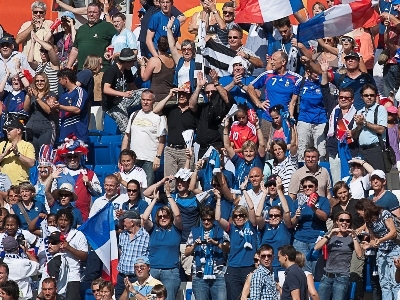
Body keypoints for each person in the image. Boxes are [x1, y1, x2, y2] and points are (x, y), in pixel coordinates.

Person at [144, 170, 200, 280]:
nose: (179, 183)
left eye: (182, 181)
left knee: (190, 274)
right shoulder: (170, 196)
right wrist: (162, 181)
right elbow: (146, 193)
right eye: (177, 181)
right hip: (171, 239)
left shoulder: (195, 198)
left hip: (186, 241)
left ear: (188, 182)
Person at [247, 51, 302, 143]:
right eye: (271, 59)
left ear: (283, 62)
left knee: (285, 146)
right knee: (265, 146)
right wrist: (258, 103)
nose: (271, 62)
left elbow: (295, 100)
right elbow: (250, 87)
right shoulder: (267, 75)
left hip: (284, 119)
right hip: (267, 118)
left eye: (274, 60)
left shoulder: (296, 78)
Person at [141, 183, 182, 300]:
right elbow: (144, 218)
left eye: (165, 216)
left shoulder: (176, 229)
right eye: (160, 216)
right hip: (152, 270)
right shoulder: (153, 229)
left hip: (171, 272)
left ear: (170, 217)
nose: (163, 218)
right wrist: (154, 200)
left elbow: (178, 215)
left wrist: (169, 196)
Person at [153, 85, 197, 188]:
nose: (181, 96)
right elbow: (155, 110)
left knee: (185, 182)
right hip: (171, 150)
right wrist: (169, 96)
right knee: (169, 182)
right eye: (179, 94)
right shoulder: (171, 109)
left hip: (186, 151)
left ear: (189, 95)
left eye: (184, 94)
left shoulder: (194, 111)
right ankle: (170, 201)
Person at [356, 199, 400, 299]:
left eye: (360, 212)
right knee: (384, 283)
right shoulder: (368, 222)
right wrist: (369, 245)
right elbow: (373, 239)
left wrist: (380, 240)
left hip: (394, 249)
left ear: (365, 209)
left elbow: (393, 233)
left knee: (395, 282)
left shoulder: (384, 214)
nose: (359, 215)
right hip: (382, 252)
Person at [121, 89, 167, 186]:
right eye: (143, 99)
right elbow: (126, 136)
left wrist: (158, 157)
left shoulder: (158, 117)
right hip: (133, 158)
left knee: (146, 189)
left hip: (149, 160)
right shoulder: (134, 115)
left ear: (153, 101)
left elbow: (162, 140)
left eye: (148, 100)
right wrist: (122, 156)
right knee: (132, 188)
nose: (145, 102)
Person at [314, 211, 363, 300]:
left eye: (347, 221)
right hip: (327, 276)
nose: (344, 223)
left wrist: (354, 237)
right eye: (342, 220)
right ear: (337, 221)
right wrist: (330, 234)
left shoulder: (351, 238)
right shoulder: (330, 235)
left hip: (342, 277)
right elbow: (316, 247)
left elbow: (359, 254)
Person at [303, 51, 376, 111]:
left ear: (359, 61)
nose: (350, 60)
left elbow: (376, 95)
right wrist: (309, 62)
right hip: (344, 116)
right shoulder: (340, 77)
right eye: (347, 59)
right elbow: (320, 72)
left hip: (363, 113)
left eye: (353, 58)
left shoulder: (367, 77)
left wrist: (376, 111)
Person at [216, 199, 257, 300]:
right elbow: (217, 218)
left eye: (241, 215)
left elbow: (251, 208)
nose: (238, 218)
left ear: (245, 216)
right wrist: (218, 199)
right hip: (234, 268)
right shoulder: (231, 228)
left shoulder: (252, 226)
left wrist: (244, 191)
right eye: (236, 216)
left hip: (249, 267)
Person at [186, 205, 230, 300]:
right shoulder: (194, 232)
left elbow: (228, 249)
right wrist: (194, 245)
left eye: (209, 219)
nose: (206, 222)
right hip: (199, 276)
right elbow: (186, 253)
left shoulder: (221, 231)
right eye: (204, 219)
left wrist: (216, 243)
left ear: (213, 219)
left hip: (218, 275)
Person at [52, 137, 102, 221]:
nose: (72, 159)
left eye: (75, 156)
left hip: (83, 217)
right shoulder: (58, 173)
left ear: (79, 157)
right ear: (65, 158)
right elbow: (51, 195)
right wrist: (50, 178)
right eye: (69, 157)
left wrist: (89, 184)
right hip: (62, 217)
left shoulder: (89, 173)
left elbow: (98, 193)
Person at [290, 176, 330, 273]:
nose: (307, 188)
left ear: (316, 187)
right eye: (305, 187)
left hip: (317, 240)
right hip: (300, 239)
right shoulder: (298, 202)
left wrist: (313, 208)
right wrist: (296, 216)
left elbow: (325, 217)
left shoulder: (323, 200)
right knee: (302, 270)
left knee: (317, 270)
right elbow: (291, 223)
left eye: (310, 186)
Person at [256, 176, 293, 280]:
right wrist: (264, 194)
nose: (273, 217)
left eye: (276, 215)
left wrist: (279, 190)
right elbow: (258, 216)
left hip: (282, 267)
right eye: (271, 215)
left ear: (281, 217)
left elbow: (286, 211)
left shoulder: (285, 226)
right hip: (266, 267)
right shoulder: (265, 226)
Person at [101, 48, 143, 133]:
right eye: (131, 62)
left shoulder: (127, 70)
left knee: (146, 92)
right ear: (125, 61)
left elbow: (132, 86)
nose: (132, 64)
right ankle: (126, 145)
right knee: (126, 128)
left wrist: (142, 94)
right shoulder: (111, 70)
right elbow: (105, 89)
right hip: (112, 106)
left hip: (124, 100)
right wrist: (123, 94)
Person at [66, 2, 117, 71]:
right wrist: (68, 66)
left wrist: (111, 46)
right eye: (89, 12)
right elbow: (75, 49)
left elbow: (119, 38)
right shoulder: (81, 29)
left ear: (99, 13)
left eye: (94, 12)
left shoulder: (107, 26)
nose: (91, 14)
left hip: (100, 70)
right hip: (82, 69)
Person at [223, 115, 265, 193]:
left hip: (254, 195)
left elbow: (262, 144)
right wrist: (226, 128)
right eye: (246, 151)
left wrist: (257, 126)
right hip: (239, 195)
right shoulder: (239, 161)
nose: (248, 154)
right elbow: (227, 146)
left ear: (255, 152)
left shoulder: (258, 161)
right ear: (242, 152)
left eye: (251, 151)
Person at [351, 84, 387, 171]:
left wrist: (364, 123)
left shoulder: (380, 109)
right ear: (362, 97)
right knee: (364, 180)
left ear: (375, 96)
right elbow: (354, 135)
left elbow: (381, 129)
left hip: (375, 150)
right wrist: (359, 126)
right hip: (362, 151)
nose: (369, 97)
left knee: (378, 179)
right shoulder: (359, 112)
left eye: (372, 95)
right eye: (366, 95)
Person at [116, 210, 149, 300]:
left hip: (137, 278)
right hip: (122, 277)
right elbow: (121, 251)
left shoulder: (146, 236)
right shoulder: (123, 235)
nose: (122, 223)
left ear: (132, 222)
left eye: (124, 221)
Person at [24, 73, 57, 156]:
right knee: (32, 155)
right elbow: (26, 109)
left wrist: (37, 98)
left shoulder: (51, 95)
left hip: (46, 129)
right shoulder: (31, 94)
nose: (39, 83)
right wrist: (28, 96)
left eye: (42, 81)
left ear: (46, 82)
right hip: (31, 129)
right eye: (37, 81)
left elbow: (48, 110)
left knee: (44, 155)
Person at [138, 36, 175, 102]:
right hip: (170, 97)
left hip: (157, 98)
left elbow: (144, 78)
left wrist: (142, 64)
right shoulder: (172, 59)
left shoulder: (154, 60)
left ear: (157, 45)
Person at [56, 68, 89, 143]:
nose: (59, 82)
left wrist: (60, 106)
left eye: (60, 79)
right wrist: (53, 106)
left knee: (77, 154)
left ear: (66, 79)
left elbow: (77, 109)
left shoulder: (80, 91)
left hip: (78, 134)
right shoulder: (63, 95)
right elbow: (59, 111)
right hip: (64, 135)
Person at [2, 236, 39, 300]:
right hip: (24, 298)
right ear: (17, 248)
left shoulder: (2, 263)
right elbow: (37, 266)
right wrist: (26, 252)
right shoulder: (23, 263)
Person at [265, 121, 298, 193]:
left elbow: (294, 145)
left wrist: (292, 127)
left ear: (284, 149)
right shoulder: (273, 166)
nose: (278, 151)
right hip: (279, 196)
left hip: (291, 194)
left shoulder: (291, 160)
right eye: (275, 150)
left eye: (279, 149)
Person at [0, 119, 35, 185]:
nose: (7, 131)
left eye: (10, 129)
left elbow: (31, 164)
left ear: (19, 130)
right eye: (7, 129)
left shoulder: (27, 145)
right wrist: (4, 154)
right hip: (3, 185)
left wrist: (17, 154)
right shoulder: (2, 144)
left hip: (20, 185)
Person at [0, 65, 30, 141]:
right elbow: (0, 90)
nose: (16, 81)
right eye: (13, 79)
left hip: (19, 129)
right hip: (5, 128)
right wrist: (7, 75)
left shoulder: (24, 93)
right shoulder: (7, 95)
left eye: (18, 80)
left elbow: (27, 85)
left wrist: (18, 70)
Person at [38, 232, 68, 298]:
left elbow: (51, 284)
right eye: (49, 242)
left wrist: (39, 297)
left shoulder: (54, 261)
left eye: (53, 243)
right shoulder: (64, 259)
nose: (49, 245)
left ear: (61, 244)